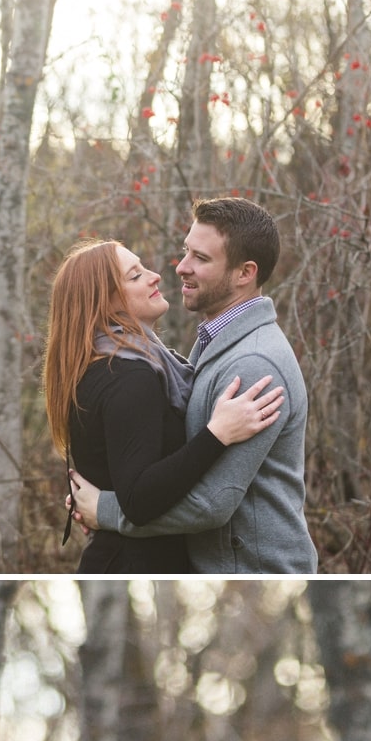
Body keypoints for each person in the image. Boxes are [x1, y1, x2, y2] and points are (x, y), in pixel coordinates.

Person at [68, 200, 318, 574]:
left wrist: (105, 510)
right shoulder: (210, 344)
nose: (181, 267)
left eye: (200, 257)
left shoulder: (253, 364)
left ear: (244, 273)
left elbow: (210, 504)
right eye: (186, 251)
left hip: (252, 570)